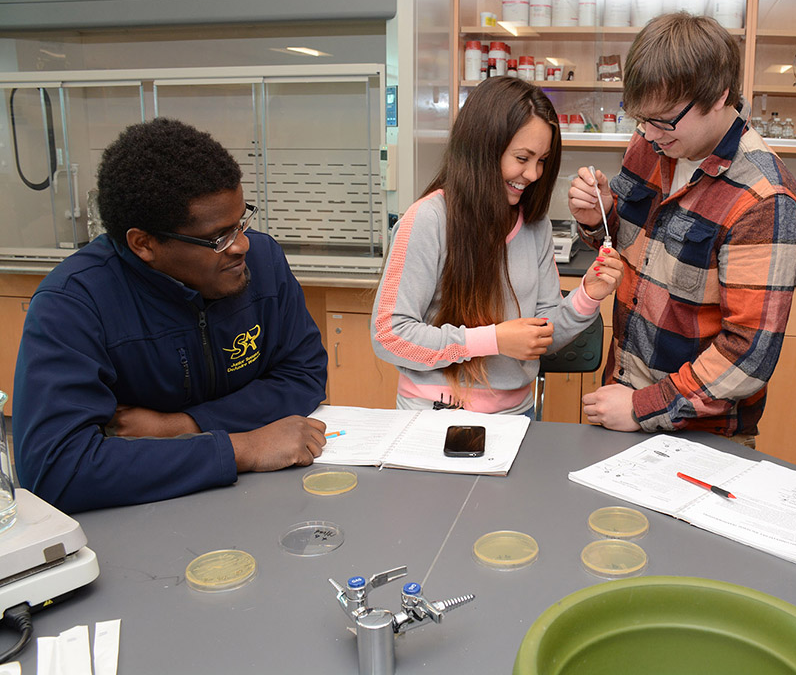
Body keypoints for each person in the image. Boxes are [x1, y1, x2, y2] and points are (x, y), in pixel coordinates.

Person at [13, 118, 328, 513]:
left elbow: (304, 373)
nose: (242, 245)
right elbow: (56, 470)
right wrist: (242, 449)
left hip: (262, 501)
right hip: (146, 515)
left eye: (242, 221)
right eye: (219, 237)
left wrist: (183, 426)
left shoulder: (262, 262)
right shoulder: (73, 303)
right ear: (144, 244)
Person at [568, 13, 796, 437]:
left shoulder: (764, 198)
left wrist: (643, 406)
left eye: (661, 120)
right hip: (622, 396)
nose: (646, 132)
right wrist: (600, 215)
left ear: (719, 96)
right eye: (639, 118)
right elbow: (631, 241)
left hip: (697, 430)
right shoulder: (653, 139)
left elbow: (747, 354)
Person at [371, 76, 622, 414]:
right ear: (482, 148)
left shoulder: (535, 226)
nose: (533, 174)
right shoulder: (428, 219)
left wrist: (587, 297)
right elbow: (390, 335)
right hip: (436, 415)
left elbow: (541, 334)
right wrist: (492, 340)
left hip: (518, 415)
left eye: (542, 160)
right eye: (522, 158)